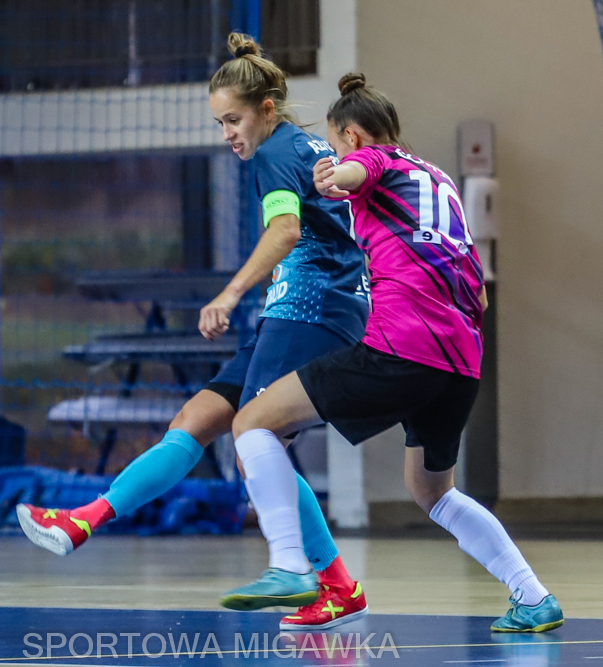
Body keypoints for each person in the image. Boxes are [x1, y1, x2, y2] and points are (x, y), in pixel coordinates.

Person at [17, 33, 371, 631]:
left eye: (233, 120)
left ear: (265, 109)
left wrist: (229, 294)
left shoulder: (275, 153)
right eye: (219, 123)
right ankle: (85, 520)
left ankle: (313, 575)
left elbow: (286, 231)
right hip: (297, 310)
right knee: (196, 419)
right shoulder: (298, 144)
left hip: (315, 312)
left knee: (257, 439)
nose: (227, 134)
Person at [219, 73, 564, 634]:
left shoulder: (372, 160)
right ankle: (534, 597)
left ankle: (288, 565)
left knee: (252, 421)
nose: (334, 155)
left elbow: (357, 170)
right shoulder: (440, 181)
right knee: (433, 492)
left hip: (402, 349)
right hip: (461, 362)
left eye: (336, 145)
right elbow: (478, 292)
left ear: (352, 136)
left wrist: (331, 176)